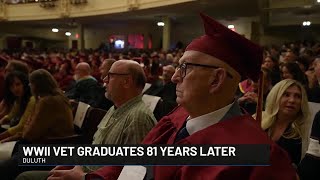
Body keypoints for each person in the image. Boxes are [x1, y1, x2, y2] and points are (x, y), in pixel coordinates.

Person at [83, 13, 297, 179]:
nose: (175, 77)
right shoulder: (175, 119)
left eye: (184, 68)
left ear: (216, 79)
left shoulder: (257, 156)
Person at [16, 60, 157, 180]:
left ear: (126, 81)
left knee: (25, 177)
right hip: (84, 171)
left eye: (110, 76)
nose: (104, 80)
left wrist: (82, 176)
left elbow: (131, 173)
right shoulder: (115, 108)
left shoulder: (138, 118)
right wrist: (74, 164)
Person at [0, 69, 74, 180]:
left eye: (31, 84)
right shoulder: (57, 98)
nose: (30, 86)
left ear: (37, 85)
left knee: (5, 167)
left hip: (50, 150)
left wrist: (14, 136)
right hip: (53, 146)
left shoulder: (47, 102)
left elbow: (30, 134)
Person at [259, 79, 311, 167]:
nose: (292, 100)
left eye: (298, 96)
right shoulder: (259, 119)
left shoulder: (304, 131)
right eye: (286, 95)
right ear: (275, 97)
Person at [0, 71, 35, 142]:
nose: (15, 88)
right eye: (11, 86)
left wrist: (1, 137)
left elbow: (21, 126)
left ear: (25, 84)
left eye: (18, 84)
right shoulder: (19, 98)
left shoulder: (32, 99)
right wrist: (2, 121)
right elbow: (11, 115)